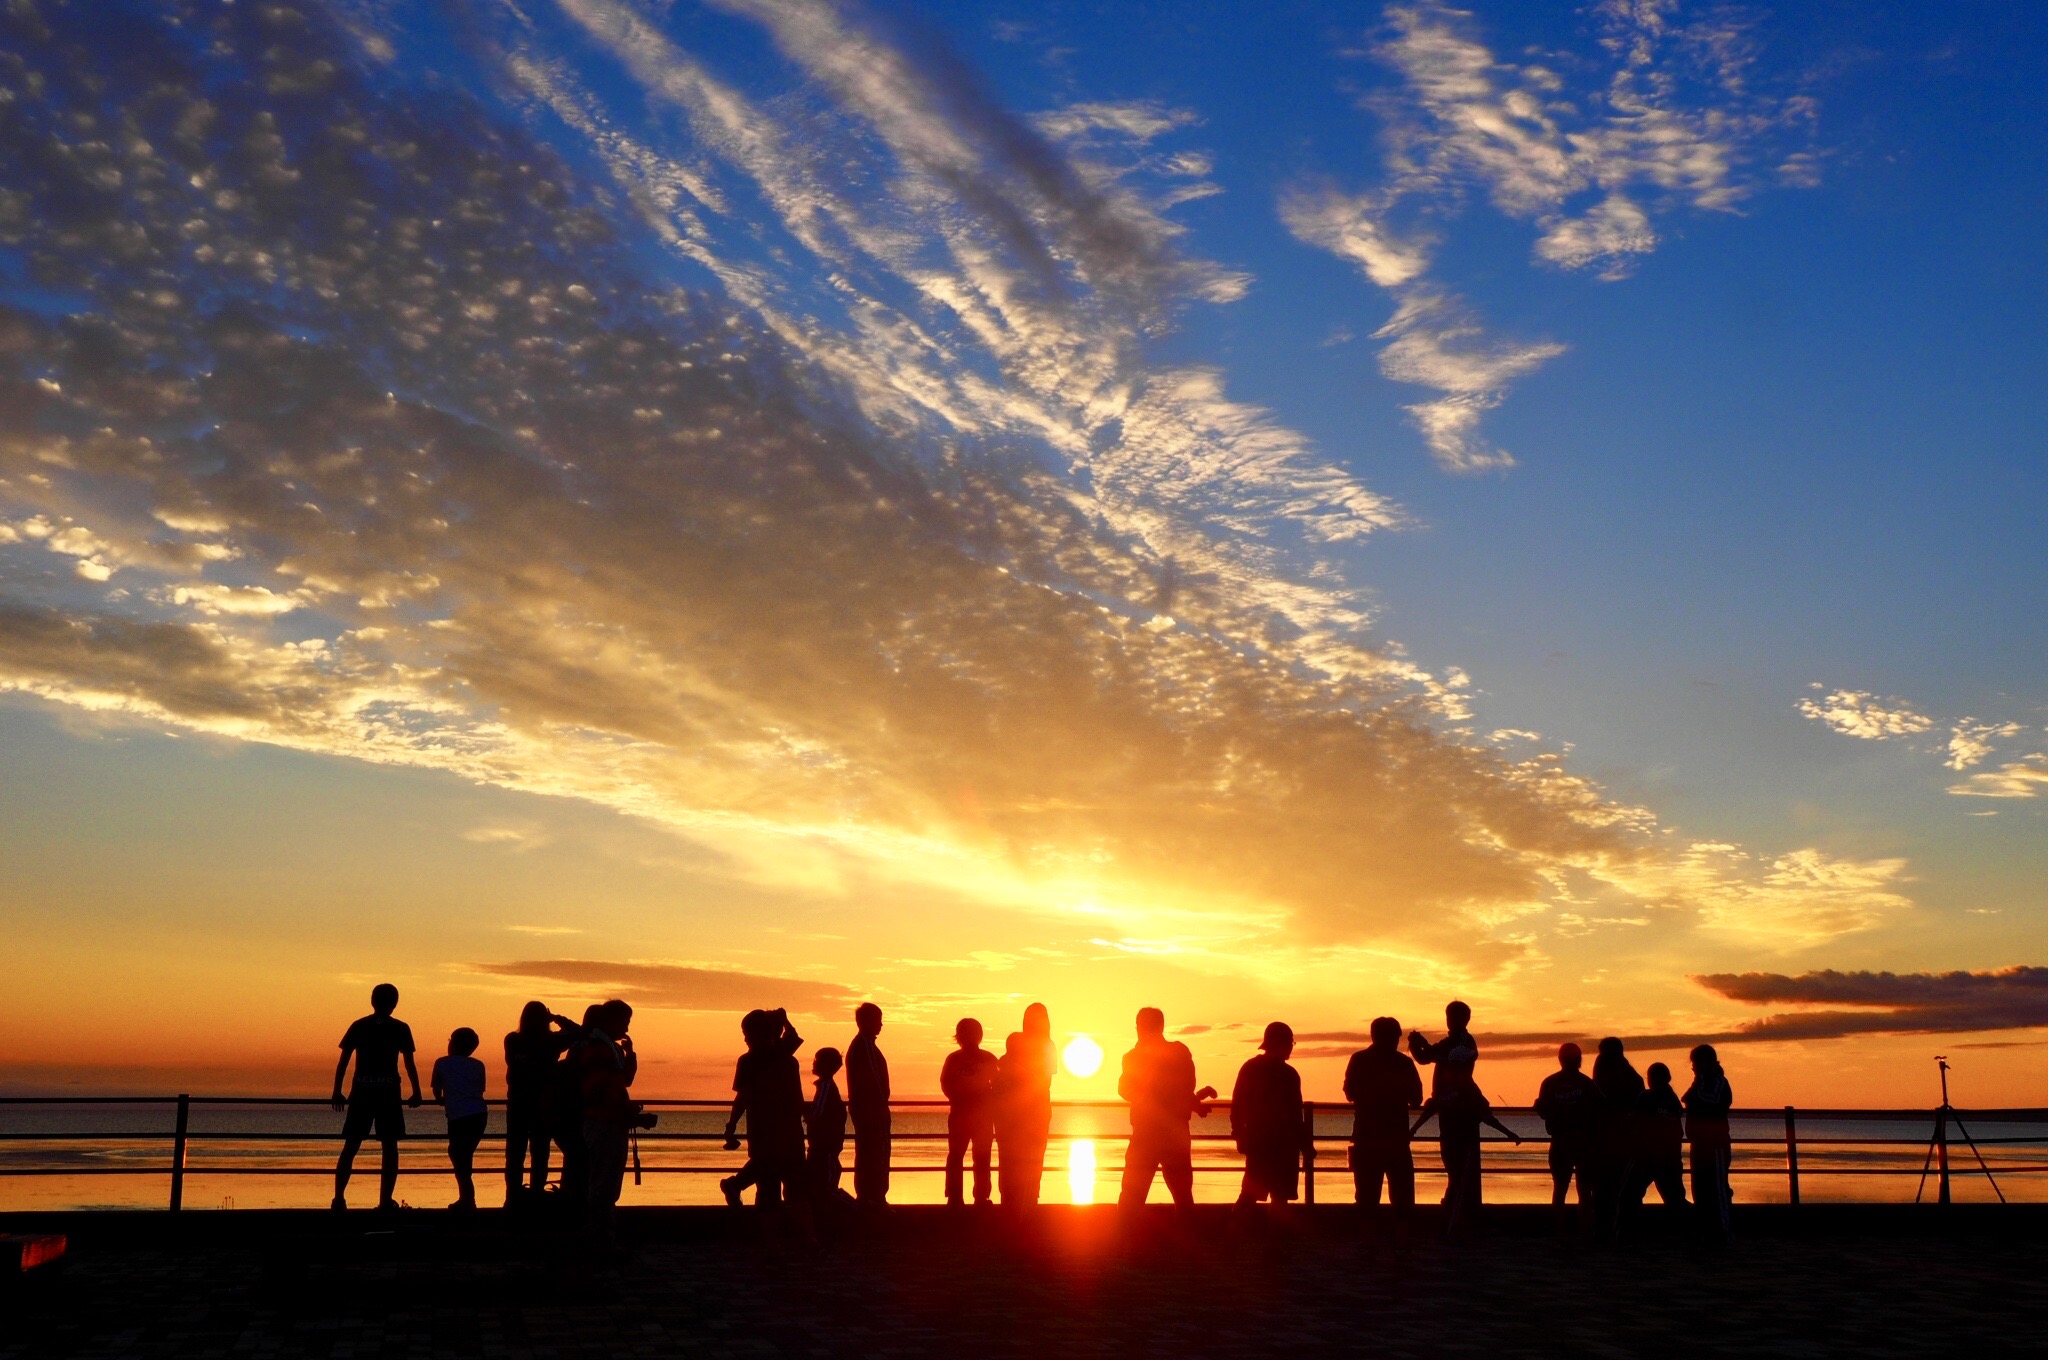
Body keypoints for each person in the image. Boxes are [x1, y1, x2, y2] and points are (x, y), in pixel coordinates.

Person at [1410, 1002, 1517, 1240]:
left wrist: (1422, 1045)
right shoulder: (1451, 1044)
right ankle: (1453, 1217)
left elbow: (1432, 1057)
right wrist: (1416, 1044)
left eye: (1454, 1016)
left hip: (1458, 1113)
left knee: (1459, 1171)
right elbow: (1426, 1057)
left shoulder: (1464, 1043)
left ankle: (1453, 1217)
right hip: (1447, 1111)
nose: (1450, 1020)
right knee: (1454, 1169)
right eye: (1448, 1016)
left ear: (1464, 1019)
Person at [330, 983, 423, 1212]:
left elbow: (344, 1061)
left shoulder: (360, 1025)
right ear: (394, 1003)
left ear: (372, 1001)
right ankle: (384, 1201)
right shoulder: (401, 1028)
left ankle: (339, 1199)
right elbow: (409, 1063)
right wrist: (417, 1091)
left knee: (351, 1145)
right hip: (388, 1093)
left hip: (362, 1091)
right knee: (389, 1147)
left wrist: (337, 1090)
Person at [1117, 1007, 1215, 1210]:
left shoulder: (1133, 1057)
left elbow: (1124, 1089)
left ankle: (1125, 1236)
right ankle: (1187, 1235)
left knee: (1132, 1195)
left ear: (1139, 1028)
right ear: (1161, 1026)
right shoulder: (1179, 1052)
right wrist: (1193, 1103)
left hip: (1145, 1134)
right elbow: (1186, 1088)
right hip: (1176, 1133)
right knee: (1182, 1195)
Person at [572, 999, 653, 1243]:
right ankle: (600, 1238)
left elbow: (621, 1081)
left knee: (605, 1180)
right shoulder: (599, 1048)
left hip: (608, 1120)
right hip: (604, 1121)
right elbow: (603, 1088)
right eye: (625, 1022)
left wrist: (630, 1055)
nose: (626, 1028)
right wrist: (627, 1111)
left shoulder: (608, 1048)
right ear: (611, 1020)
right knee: (605, 1182)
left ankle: (601, 1236)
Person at [1342, 1017, 1422, 1239]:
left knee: (1367, 1195)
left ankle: (1368, 1239)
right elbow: (1417, 1098)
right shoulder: (1404, 1064)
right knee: (1402, 1194)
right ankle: (1402, 1238)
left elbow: (1349, 1092)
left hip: (1366, 1136)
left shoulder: (1358, 1060)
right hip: (1396, 1137)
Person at [721, 1008, 806, 1208]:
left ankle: (736, 1185)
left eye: (747, 1034)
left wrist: (731, 1125)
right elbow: (792, 1036)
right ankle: (736, 1185)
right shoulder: (782, 1055)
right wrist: (785, 1020)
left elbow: (742, 1097)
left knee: (770, 1181)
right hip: (784, 1129)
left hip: (768, 1128)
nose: (745, 1039)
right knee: (784, 1183)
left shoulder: (754, 1059)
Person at [503, 1001, 581, 1206]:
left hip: (518, 1102)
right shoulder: (553, 1041)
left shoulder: (513, 1040)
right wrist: (556, 1018)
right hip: (544, 1102)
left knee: (515, 1153)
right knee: (540, 1152)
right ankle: (536, 1194)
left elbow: (515, 1064)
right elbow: (579, 1031)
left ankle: (512, 1197)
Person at [1231, 1022, 1310, 1208]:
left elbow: (1237, 1106)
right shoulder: (1289, 1075)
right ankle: (1272, 1233)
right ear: (1281, 1044)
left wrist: (1239, 1135)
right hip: (1281, 1145)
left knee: (1251, 1194)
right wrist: (1305, 1145)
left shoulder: (1251, 1068)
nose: (1291, 1047)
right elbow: (1296, 1116)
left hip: (1260, 1142)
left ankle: (1238, 1230)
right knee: (1277, 1196)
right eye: (1290, 1043)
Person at [1533, 1042, 1599, 1237]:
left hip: (1563, 1141)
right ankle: (1583, 1229)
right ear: (1579, 1060)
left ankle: (1560, 1229)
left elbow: (1543, 1111)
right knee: (1583, 1189)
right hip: (1582, 1141)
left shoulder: (1550, 1083)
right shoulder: (1587, 1083)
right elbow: (1598, 1109)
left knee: (1561, 1187)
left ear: (1560, 1060)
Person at [995, 1003, 1057, 1207]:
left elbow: (1045, 1079)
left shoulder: (1047, 1045)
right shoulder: (1033, 1043)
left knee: (1024, 1158)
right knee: (1021, 1159)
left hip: (1033, 1111)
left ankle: (1025, 1200)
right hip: (1022, 1112)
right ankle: (1020, 1200)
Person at [940, 1017, 999, 1207]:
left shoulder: (955, 1059)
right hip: (973, 1115)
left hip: (965, 1114)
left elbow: (946, 1084)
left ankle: (957, 1197)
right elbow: (999, 1086)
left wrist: (958, 1096)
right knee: (977, 1157)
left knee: (961, 1156)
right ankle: (977, 1197)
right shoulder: (986, 1058)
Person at [1624, 1061, 1689, 1232]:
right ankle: (1687, 1230)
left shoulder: (1646, 1097)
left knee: (1629, 1193)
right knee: (1674, 1197)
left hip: (1646, 1155)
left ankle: (1630, 1230)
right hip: (1670, 1156)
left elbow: (1636, 1122)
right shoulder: (1673, 1100)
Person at [1590, 1036, 1644, 1240]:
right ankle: (1625, 1227)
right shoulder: (1633, 1078)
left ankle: (1604, 1228)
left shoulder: (1603, 1074)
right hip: (1624, 1139)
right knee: (1624, 1186)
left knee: (1604, 1187)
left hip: (1607, 1139)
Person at [552, 1003, 605, 1208]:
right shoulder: (592, 1043)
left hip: (568, 1105)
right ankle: (580, 1198)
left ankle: (571, 1195)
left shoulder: (579, 1039)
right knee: (582, 1155)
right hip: (580, 1106)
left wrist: (557, 1017)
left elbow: (573, 1027)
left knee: (575, 1155)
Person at [430, 1027, 488, 1211]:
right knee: (464, 1154)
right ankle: (466, 1198)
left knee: (457, 1154)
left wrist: (442, 1100)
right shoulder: (478, 1065)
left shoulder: (442, 1063)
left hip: (458, 1116)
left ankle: (467, 1199)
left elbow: (436, 1091)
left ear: (453, 1043)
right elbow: (479, 1090)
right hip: (479, 1114)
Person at [1683, 1043, 1734, 1242]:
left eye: (1696, 1063)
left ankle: (1724, 1230)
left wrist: (1698, 1083)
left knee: (1718, 1188)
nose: (1693, 1067)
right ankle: (1706, 1229)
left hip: (1716, 1143)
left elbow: (1710, 1099)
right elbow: (1687, 1098)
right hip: (1699, 1143)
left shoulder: (1718, 1081)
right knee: (1701, 1188)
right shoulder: (1701, 1082)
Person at [846, 1002, 891, 1207]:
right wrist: (881, 1103)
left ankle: (870, 1196)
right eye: (878, 1020)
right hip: (871, 1111)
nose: (881, 1025)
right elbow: (873, 1081)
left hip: (869, 1110)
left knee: (869, 1153)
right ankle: (874, 1197)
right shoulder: (864, 1046)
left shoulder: (865, 1045)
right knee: (875, 1153)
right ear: (865, 1021)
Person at [806, 1046, 850, 1207]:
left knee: (828, 1189)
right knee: (822, 1189)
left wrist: (805, 1113)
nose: (814, 1063)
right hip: (824, 1149)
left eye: (817, 1061)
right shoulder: (827, 1087)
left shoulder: (826, 1087)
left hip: (825, 1149)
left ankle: (860, 1214)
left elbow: (818, 1114)